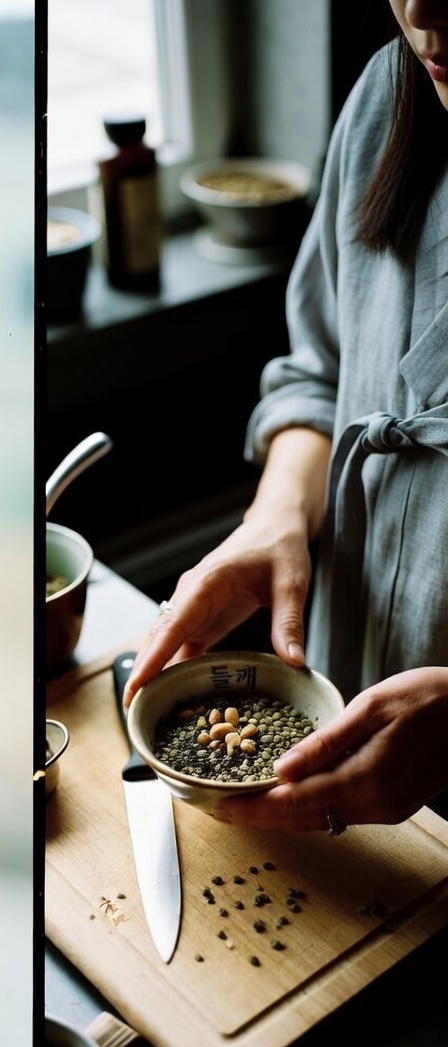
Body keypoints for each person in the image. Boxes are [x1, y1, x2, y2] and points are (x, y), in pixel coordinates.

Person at [123, 1, 448, 834]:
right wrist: (276, 517)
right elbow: (321, 370)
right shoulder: (391, 95)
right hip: (339, 690)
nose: (420, 9)